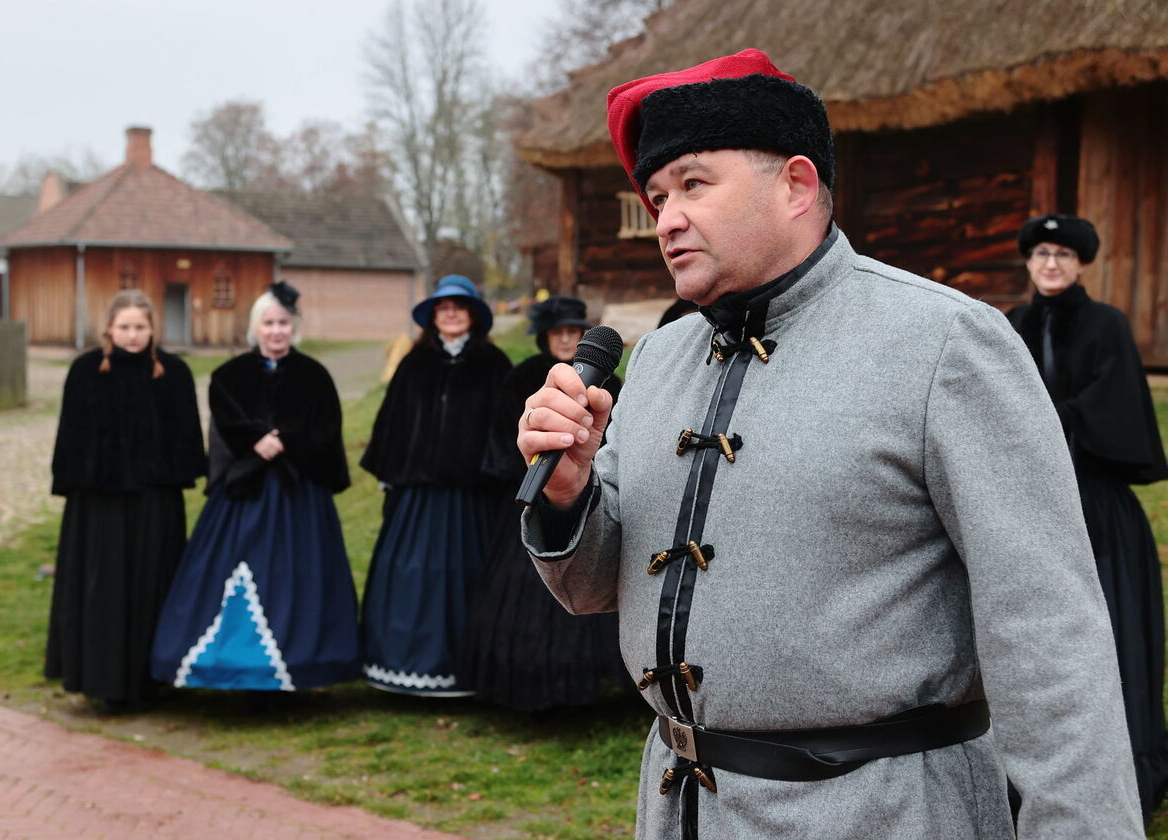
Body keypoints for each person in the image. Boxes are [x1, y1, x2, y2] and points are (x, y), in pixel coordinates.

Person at [516, 49, 1143, 839]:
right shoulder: (660, 357)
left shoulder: (944, 343)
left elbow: (1048, 632)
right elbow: (591, 587)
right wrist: (569, 492)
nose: (666, 217)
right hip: (681, 811)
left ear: (796, 186)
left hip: (886, 813)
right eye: (659, 195)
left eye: (694, 185)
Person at [1007, 213, 1168, 818]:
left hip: (1097, 506)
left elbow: (1114, 408)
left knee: (1113, 635)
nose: (1051, 264)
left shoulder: (1108, 325)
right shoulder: (1011, 326)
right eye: (1042, 254)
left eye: (1064, 255)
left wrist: (1048, 417)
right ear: (1029, 263)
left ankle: (1124, 772)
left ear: (1080, 265)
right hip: (1030, 505)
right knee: (1033, 641)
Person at [150, 282, 359, 693]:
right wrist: (255, 441)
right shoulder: (230, 376)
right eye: (268, 323)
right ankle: (231, 666)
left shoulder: (314, 376)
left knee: (298, 579)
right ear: (255, 327)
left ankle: (302, 664)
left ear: (293, 327)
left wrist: (286, 441)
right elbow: (226, 422)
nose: (276, 331)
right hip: (244, 493)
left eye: (283, 323)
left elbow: (325, 429)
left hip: (299, 495)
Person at [460, 296, 627, 711]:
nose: (566, 340)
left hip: (593, 497)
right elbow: (502, 436)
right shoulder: (522, 379)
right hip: (528, 493)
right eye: (558, 333)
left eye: (574, 332)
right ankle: (526, 679)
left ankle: (596, 682)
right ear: (545, 338)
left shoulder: (611, 387)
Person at [46, 289, 206, 714]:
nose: (132, 335)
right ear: (109, 329)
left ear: (152, 329)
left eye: (140, 327)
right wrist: (78, 484)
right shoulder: (86, 371)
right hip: (100, 506)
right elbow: (71, 436)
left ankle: (153, 679)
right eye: (124, 327)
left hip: (155, 503)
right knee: (104, 592)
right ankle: (104, 681)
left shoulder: (173, 373)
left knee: (152, 587)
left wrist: (168, 474)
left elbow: (187, 437)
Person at [359, 274, 512, 696]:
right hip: (418, 496)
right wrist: (390, 474)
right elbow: (393, 421)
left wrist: (500, 476)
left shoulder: (493, 364)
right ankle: (406, 664)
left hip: (472, 497)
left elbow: (506, 426)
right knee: (411, 576)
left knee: (467, 577)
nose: (451, 314)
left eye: (459, 308)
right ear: (433, 316)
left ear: (472, 315)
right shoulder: (414, 363)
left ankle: (468, 670)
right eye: (443, 308)